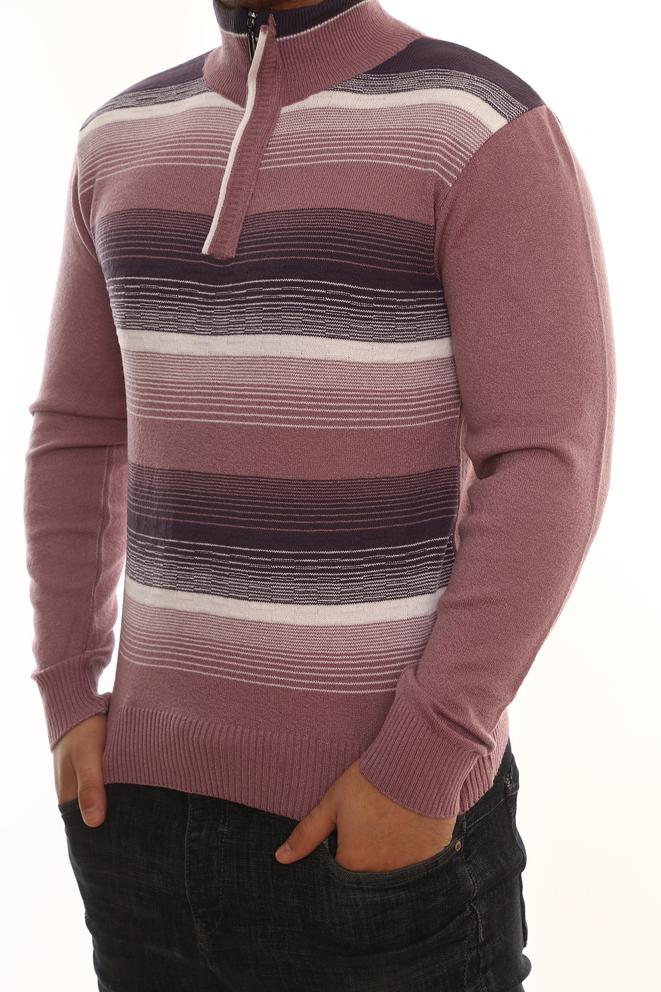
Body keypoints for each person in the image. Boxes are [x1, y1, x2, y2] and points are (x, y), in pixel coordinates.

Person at [23, 0, 616, 988]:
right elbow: (79, 432)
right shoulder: (117, 138)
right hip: (139, 825)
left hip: (384, 834)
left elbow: (551, 463)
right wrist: (68, 690)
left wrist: (420, 766)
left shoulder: (477, 124)